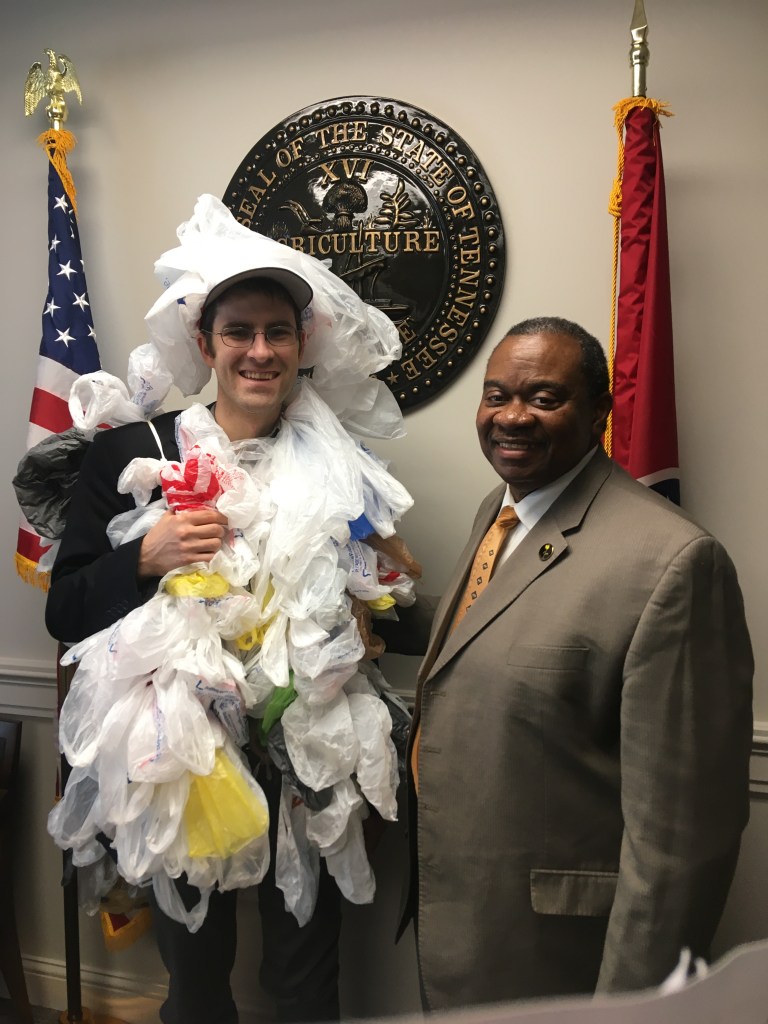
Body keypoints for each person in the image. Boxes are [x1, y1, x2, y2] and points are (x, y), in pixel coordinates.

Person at [44, 195, 414, 1024]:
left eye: (278, 332)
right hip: (183, 760)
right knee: (197, 981)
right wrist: (145, 556)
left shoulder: (342, 464)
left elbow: (381, 589)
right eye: (238, 332)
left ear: (302, 346)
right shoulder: (134, 453)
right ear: (205, 344)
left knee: (305, 976)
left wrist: (366, 618)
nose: (259, 351)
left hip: (307, 755)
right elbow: (65, 610)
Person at [391, 316, 753, 1010]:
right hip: (464, 927)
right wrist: (347, 600)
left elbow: (681, 844)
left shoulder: (674, 563)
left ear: (598, 413)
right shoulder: (501, 512)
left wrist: (632, 1010)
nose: (512, 417)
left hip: (561, 963)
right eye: (497, 395)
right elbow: (488, 628)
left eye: (544, 398)